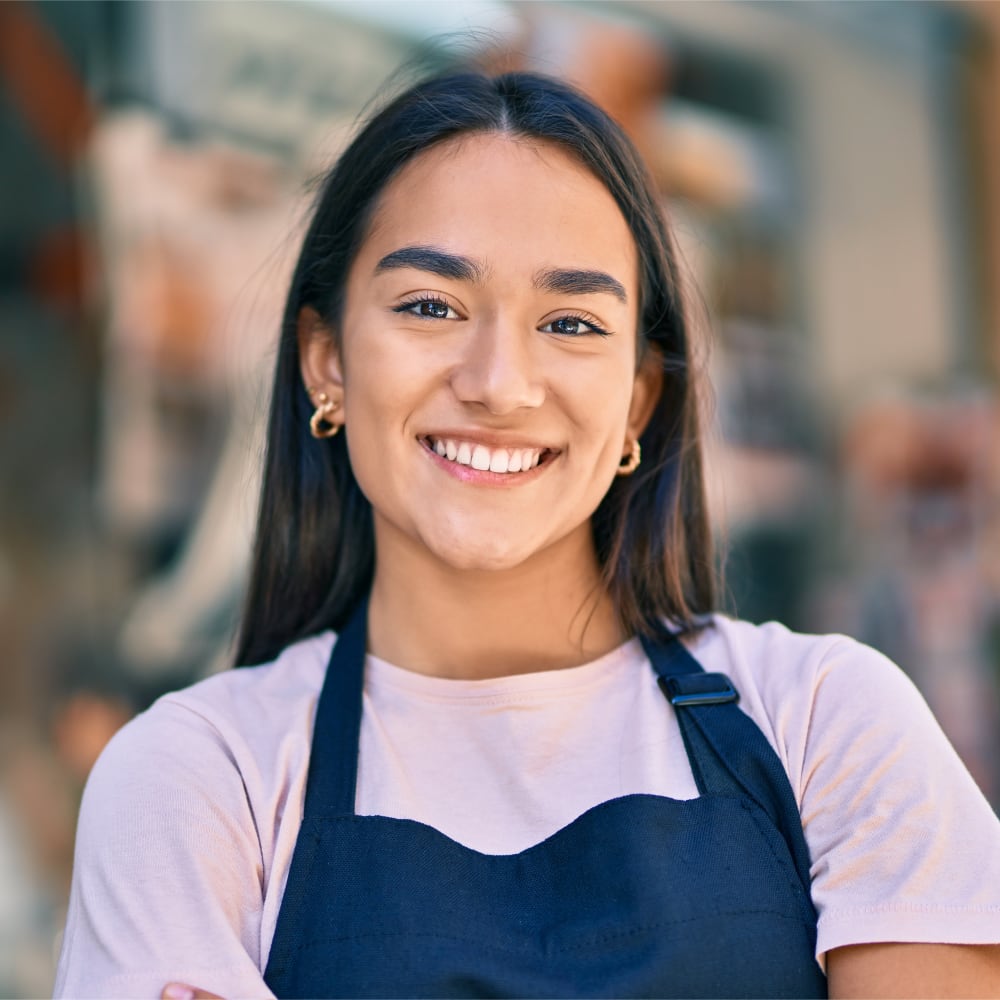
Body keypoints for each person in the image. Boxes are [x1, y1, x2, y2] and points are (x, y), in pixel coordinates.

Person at [54, 71, 1000, 1000]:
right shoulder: (197, 779)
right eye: (431, 306)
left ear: (639, 401)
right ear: (326, 360)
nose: (500, 382)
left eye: (571, 321)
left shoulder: (830, 724)